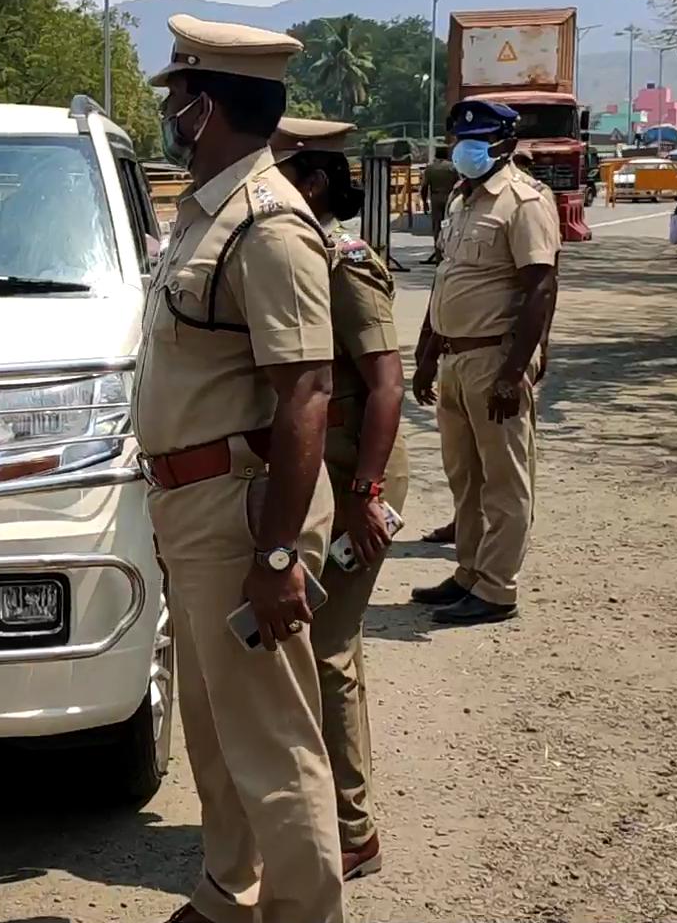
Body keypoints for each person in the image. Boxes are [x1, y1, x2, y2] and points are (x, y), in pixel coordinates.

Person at [135, 14, 343, 923]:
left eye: (176, 96)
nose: (170, 111)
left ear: (205, 106)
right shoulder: (206, 215)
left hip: (241, 513)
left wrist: (275, 555)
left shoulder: (269, 226)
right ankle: (230, 892)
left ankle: (303, 911)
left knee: (273, 739)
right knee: (215, 731)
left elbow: (307, 390)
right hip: (194, 505)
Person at [272, 116, 409, 883]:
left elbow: (385, 381)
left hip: (358, 473)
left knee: (327, 650)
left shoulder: (344, 263)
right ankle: (326, 813)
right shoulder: (298, 257)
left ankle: (352, 831)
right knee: (328, 644)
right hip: (327, 476)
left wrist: (366, 491)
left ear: (314, 185)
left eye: (284, 173)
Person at [409, 99, 560, 627]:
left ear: (506, 145)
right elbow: (445, 279)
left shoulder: (524, 202)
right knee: (464, 477)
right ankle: (469, 573)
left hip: (494, 358)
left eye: (479, 140)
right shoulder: (461, 199)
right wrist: (427, 353)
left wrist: (516, 370)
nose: (465, 150)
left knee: (504, 481)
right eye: (461, 139)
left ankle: (498, 589)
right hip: (454, 358)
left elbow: (541, 286)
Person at [420, 144, 460, 266]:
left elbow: (424, 187)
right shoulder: (453, 167)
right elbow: (459, 184)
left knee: (437, 228)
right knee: (450, 226)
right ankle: (450, 254)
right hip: (450, 198)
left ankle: (439, 258)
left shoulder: (430, 168)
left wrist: (425, 202)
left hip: (436, 198)